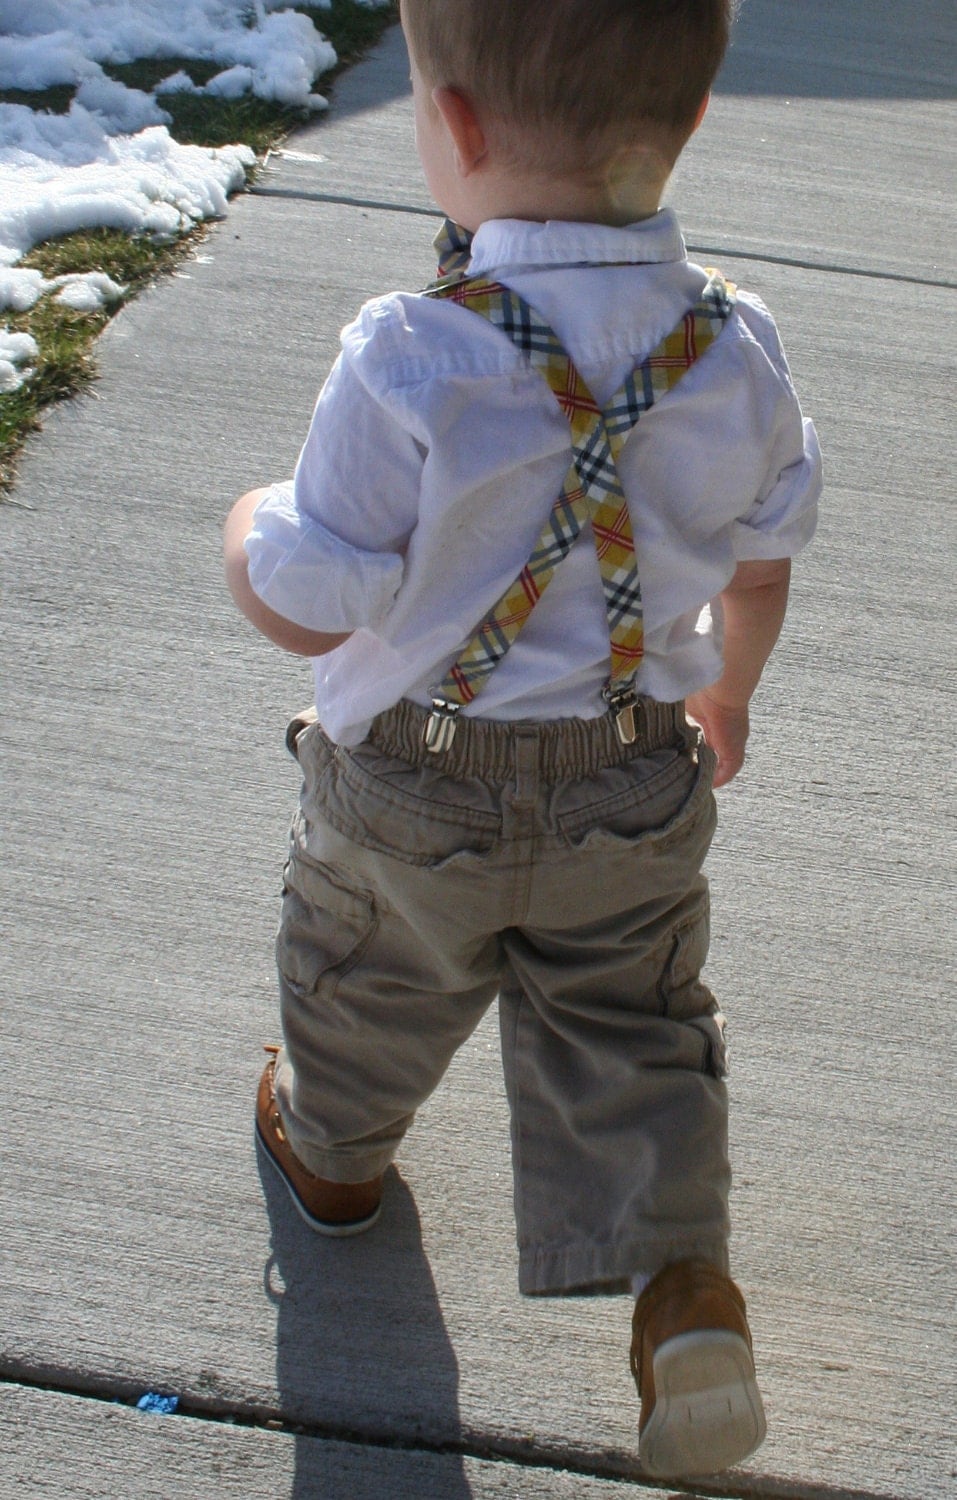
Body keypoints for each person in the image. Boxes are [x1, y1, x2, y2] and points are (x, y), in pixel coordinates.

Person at [224, 0, 820, 1478]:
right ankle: (681, 1289)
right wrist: (726, 693)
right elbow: (758, 562)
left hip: (415, 779)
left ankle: (336, 1161)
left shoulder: (409, 353)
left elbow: (308, 604)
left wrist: (245, 531)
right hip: (632, 762)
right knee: (631, 1019)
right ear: (686, 117)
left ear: (457, 127)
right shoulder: (731, 346)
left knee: (372, 972)